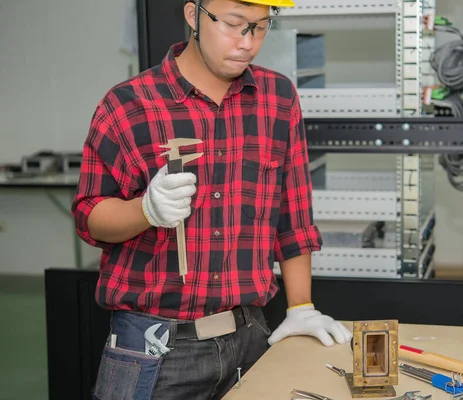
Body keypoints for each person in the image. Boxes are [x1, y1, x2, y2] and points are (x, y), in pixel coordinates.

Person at [71, 0, 352, 398]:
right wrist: (144, 210)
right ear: (193, 15)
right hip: (154, 345)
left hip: (250, 338)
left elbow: (294, 218)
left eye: (260, 27)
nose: (247, 43)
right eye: (235, 24)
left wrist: (301, 307)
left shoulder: (278, 99)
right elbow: (89, 216)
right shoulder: (129, 105)